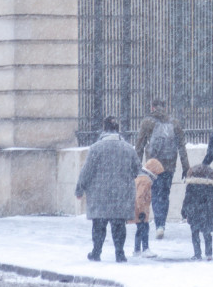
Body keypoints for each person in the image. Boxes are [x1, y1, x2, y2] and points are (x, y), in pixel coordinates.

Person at [76, 116, 141, 263]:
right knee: (119, 225)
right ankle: (120, 253)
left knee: (99, 224)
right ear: (118, 130)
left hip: (100, 194)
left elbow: (86, 171)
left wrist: (80, 189)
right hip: (121, 193)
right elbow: (137, 169)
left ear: (104, 129)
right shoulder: (128, 148)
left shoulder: (95, 148)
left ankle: (96, 252)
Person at [135, 99, 188, 240]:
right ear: (165, 107)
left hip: (153, 166)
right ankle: (161, 224)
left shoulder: (147, 122)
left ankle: (159, 224)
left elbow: (139, 146)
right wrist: (186, 167)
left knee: (156, 195)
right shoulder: (174, 123)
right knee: (164, 195)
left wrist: (136, 167)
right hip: (169, 165)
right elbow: (181, 147)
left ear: (152, 107)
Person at [181, 163, 213, 261]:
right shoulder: (212, 186)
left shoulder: (191, 186)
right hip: (207, 214)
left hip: (194, 212)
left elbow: (187, 199)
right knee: (207, 233)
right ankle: (209, 253)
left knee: (195, 233)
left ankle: (197, 254)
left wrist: (184, 211)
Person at [131, 158, 163, 257]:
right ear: (153, 171)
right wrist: (141, 211)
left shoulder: (140, 178)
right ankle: (145, 249)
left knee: (139, 229)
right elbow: (140, 196)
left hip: (137, 209)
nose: (157, 176)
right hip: (141, 210)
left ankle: (137, 250)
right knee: (144, 228)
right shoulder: (146, 181)